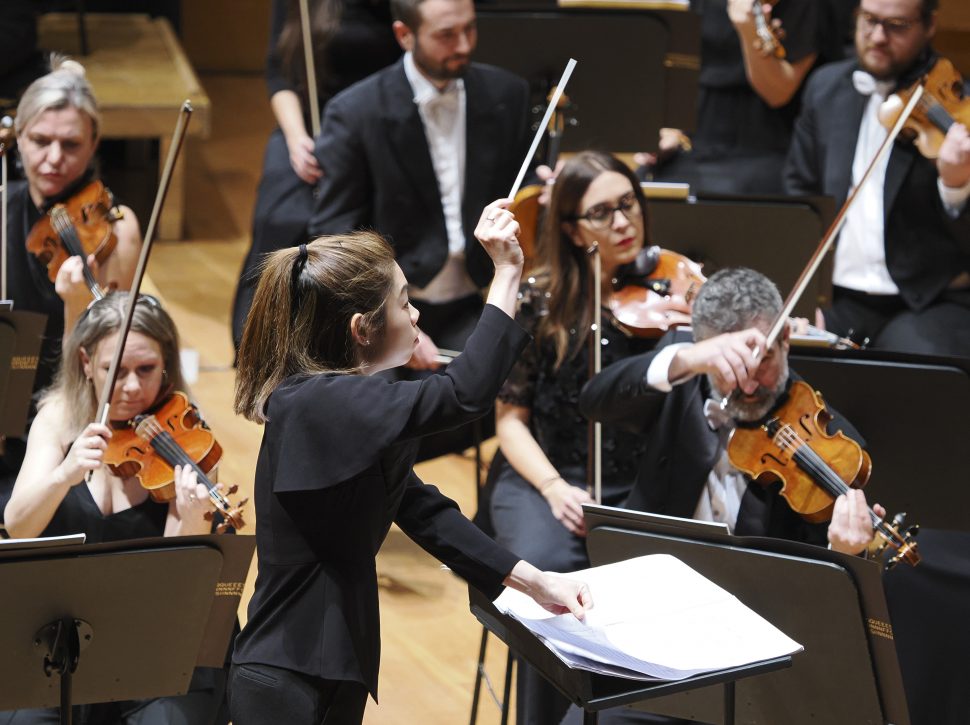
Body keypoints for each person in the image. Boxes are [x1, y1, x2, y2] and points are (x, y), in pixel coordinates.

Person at [228, 200, 592, 725]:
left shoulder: (346, 406)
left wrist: (536, 582)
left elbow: (423, 511)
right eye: (404, 302)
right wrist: (508, 271)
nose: (416, 314)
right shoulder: (314, 403)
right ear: (361, 328)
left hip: (329, 666)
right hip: (284, 677)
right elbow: (465, 395)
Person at [574, 267, 881, 724]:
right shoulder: (681, 377)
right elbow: (595, 399)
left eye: (766, 362)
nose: (751, 385)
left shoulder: (833, 445)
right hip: (654, 619)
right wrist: (688, 359)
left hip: (757, 645)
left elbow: (824, 608)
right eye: (731, 369)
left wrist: (847, 552)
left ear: (785, 344)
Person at [488, 151, 674, 725]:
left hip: (638, 485)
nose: (623, 221)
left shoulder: (669, 296)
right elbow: (509, 422)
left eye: (629, 205)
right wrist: (552, 488)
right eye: (602, 212)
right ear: (571, 229)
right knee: (548, 580)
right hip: (544, 477)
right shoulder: (538, 303)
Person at [0, 293, 228, 724]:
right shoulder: (60, 417)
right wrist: (64, 475)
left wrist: (194, 519)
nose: (132, 388)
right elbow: (19, 527)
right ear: (86, 363)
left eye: (147, 370)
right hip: (60, 642)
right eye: (114, 371)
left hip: (154, 648)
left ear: (167, 365)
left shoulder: (187, 438)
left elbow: (175, 586)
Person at [307, 0, 532, 374]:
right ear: (404, 35)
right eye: (446, 35)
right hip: (391, 308)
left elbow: (525, 183)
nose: (463, 46)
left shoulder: (508, 94)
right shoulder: (355, 112)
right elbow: (335, 237)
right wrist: (395, 325)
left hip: (480, 296)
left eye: (469, 29)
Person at [784, 0, 970, 357]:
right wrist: (807, 302)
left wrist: (955, 185)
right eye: (869, 21)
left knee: (905, 369)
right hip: (840, 299)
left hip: (926, 302)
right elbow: (799, 197)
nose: (878, 36)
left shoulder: (954, 109)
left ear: (929, 25)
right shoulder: (825, 89)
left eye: (897, 25)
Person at [0, 57, 142, 520]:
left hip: (70, 416)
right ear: (17, 136)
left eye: (71, 143)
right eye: (39, 141)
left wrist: (77, 307)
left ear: (94, 142)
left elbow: (109, 355)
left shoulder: (115, 230)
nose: (54, 159)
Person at [230, 0, 401, 349]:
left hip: (377, 127)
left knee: (352, 225)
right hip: (308, 125)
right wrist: (296, 139)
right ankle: (264, 343)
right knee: (280, 216)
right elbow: (278, 73)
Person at [644, 0, 820, 194]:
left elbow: (777, 93)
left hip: (765, 145)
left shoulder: (808, 6)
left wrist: (747, 27)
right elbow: (685, 68)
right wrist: (671, 129)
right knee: (642, 185)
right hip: (698, 138)